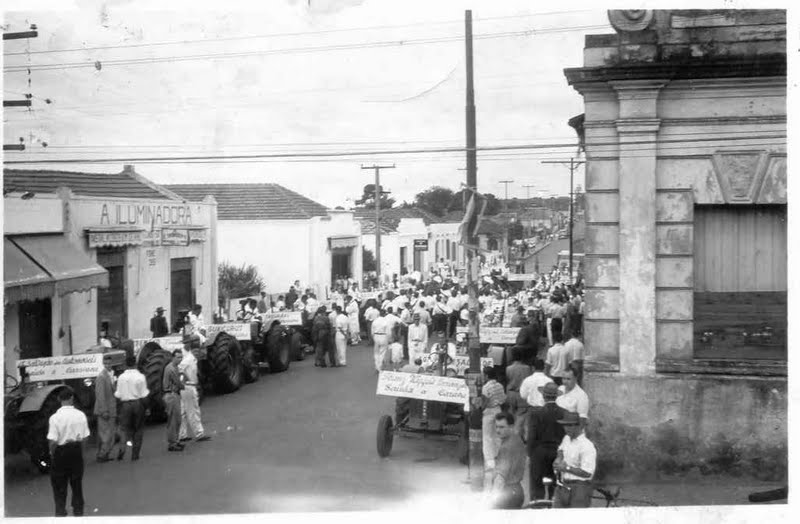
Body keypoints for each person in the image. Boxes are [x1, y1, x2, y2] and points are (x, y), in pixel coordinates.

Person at [47, 388, 90, 517]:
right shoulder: (80, 415)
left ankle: (60, 512)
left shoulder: (54, 418)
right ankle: (78, 512)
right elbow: (85, 437)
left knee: (59, 486)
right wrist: (82, 453)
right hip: (76, 450)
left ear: (59, 399)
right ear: (72, 398)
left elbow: (53, 441)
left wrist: (52, 453)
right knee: (77, 485)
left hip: (60, 453)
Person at [527, 382, 567, 501]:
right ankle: (553, 503)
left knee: (537, 484)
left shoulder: (535, 414)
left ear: (543, 396)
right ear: (557, 396)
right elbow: (566, 436)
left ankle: (537, 505)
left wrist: (530, 453)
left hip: (539, 453)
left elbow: (531, 436)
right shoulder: (564, 413)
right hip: (557, 453)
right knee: (555, 485)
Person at [552, 411, 597, 508]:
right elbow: (561, 449)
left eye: (569, 425)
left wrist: (566, 468)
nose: (566, 428)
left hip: (580, 487)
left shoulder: (587, 446)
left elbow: (587, 473)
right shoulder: (566, 439)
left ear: (578, 426)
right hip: (563, 485)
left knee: (576, 515)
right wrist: (559, 458)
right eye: (564, 425)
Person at [489, 412, 526, 509]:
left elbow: (500, 478)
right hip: (516, 491)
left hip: (507, 493)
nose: (498, 430)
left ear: (511, 427)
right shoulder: (516, 439)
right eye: (496, 427)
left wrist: (492, 501)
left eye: (502, 427)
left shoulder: (507, 447)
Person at [115, 355, 149, 461]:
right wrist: (147, 407)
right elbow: (144, 394)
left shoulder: (121, 377)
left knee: (124, 429)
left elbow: (118, 394)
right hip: (137, 403)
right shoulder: (140, 377)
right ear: (135, 364)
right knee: (138, 429)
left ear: (125, 364)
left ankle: (122, 449)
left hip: (125, 404)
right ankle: (135, 454)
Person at [178, 346, 211, 443]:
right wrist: (184, 378)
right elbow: (179, 368)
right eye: (201, 352)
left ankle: (182, 434)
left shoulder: (191, 359)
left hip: (185, 387)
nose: (202, 355)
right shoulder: (189, 359)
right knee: (193, 410)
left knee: (183, 411)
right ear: (195, 351)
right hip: (189, 386)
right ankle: (199, 434)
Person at [481, 367, 506, 484]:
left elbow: (485, 402)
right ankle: (498, 457)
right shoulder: (500, 386)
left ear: (486, 375)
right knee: (497, 436)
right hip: (498, 410)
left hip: (488, 411)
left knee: (487, 437)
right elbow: (503, 399)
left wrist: (479, 410)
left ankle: (489, 461)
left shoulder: (486, 387)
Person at [93, 354, 117, 462]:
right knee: (106, 434)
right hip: (106, 410)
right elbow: (100, 395)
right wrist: (104, 411)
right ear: (103, 364)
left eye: (109, 363)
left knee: (109, 434)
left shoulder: (110, 375)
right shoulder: (101, 377)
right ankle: (102, 455)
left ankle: (104, 454)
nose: (108, 365)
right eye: (106, 363)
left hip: (111, 409)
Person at [505, 347, 532, 438]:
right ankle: (518, 436)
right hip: (522, 394)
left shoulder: (508, 369)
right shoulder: (527, 368)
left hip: (510, 394)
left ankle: (511, 435)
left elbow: (507, 380)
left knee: (511, 415)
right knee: (521, 416)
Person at [163, 349, 185, 452]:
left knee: (177, 419)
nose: (180, 359)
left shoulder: (174, 367)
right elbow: (178, 382)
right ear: (173, 357)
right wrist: (184, 385)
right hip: (171, 395)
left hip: (174, 394)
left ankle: (176, 440)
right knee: (173, 420)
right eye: (178, 357)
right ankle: (172, 443)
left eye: (181, 357)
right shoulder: (171, 368)